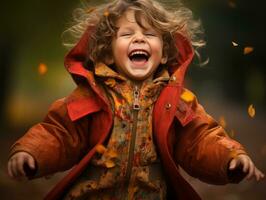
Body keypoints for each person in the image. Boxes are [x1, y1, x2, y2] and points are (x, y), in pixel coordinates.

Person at [7, 0, 264, 199]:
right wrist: (31, 153)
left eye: (150, 35)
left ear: (164, 55)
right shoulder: (90, 97)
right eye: (127, 34)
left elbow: (200, 139)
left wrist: (231, 158)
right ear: (107, 53)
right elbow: (58, 133)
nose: (139, 38)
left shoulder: (178, 101)